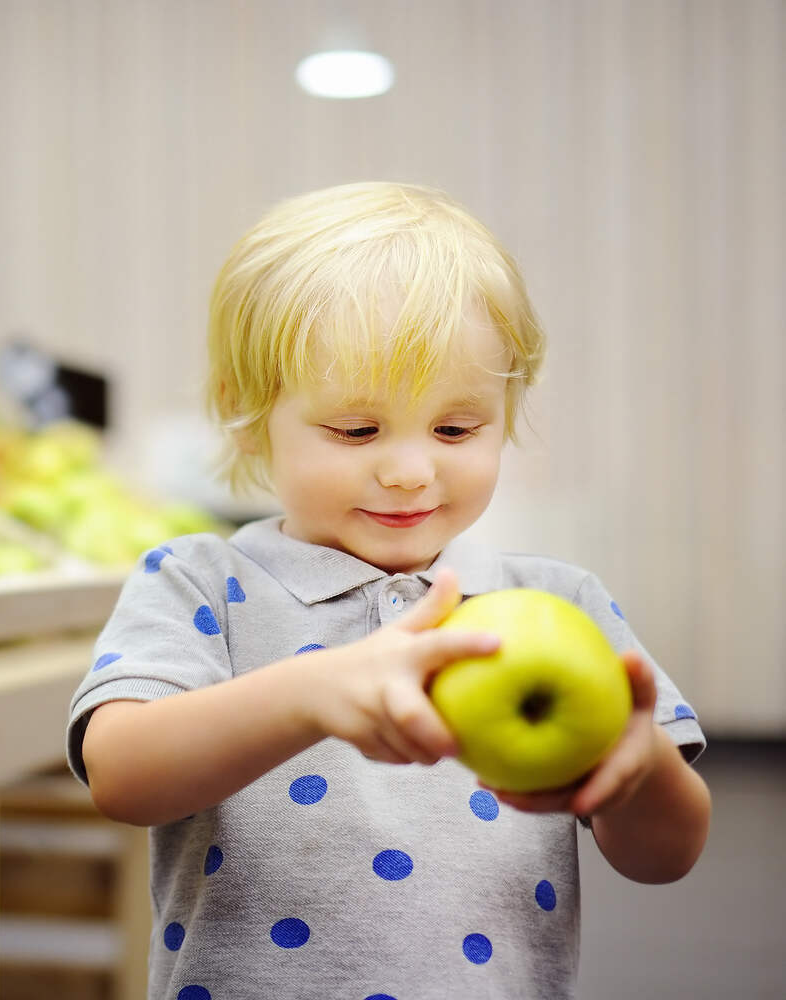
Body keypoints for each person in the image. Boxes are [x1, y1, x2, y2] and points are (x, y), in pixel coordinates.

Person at [66, 182, 711, 1000]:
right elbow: (122, 776)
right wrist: (310, 692)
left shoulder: (561, 603)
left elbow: (665, 859)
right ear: (248, 412)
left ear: (506, 410)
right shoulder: (202, 584)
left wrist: (642, 765)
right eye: (357, 430)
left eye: (454, 428)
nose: (410, 471)